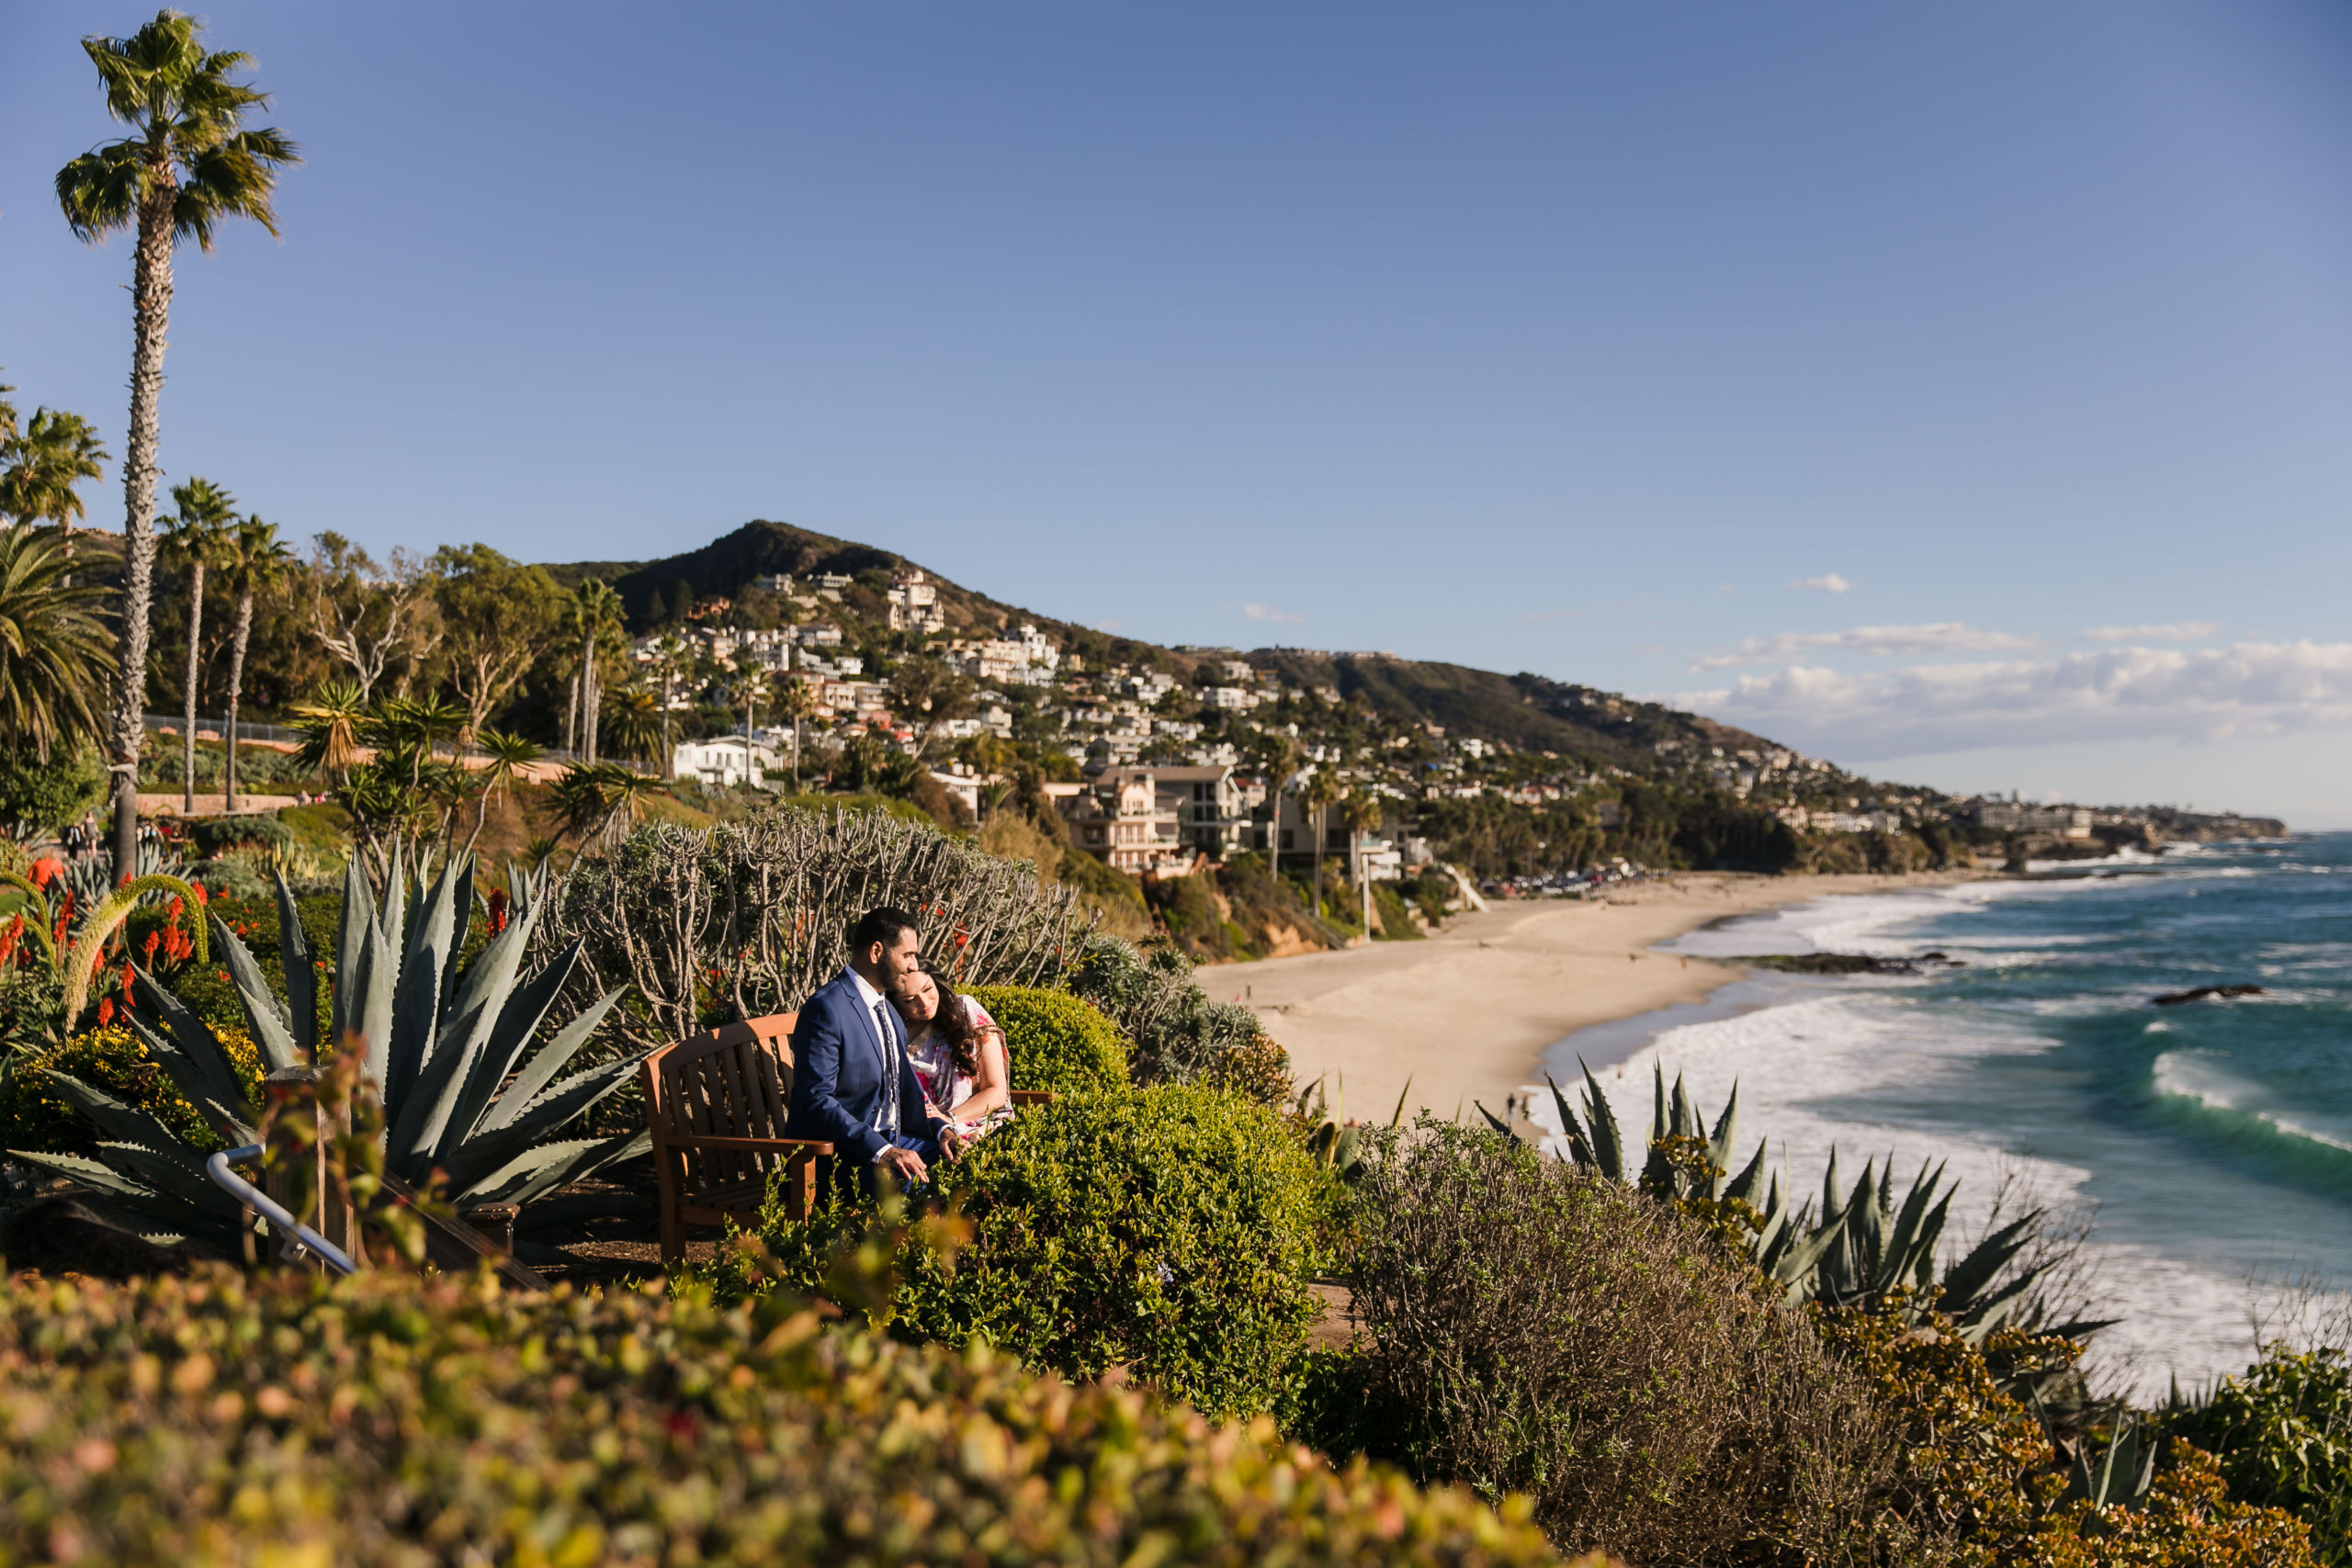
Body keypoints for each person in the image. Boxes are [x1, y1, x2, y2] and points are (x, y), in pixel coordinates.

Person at [786, 907, 958, 1189]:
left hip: (894, 1142)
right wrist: (883, 1152)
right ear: (877, 952)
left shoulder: (889, 1013)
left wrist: (941, 1130)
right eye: (907, 955)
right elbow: (815, 1100)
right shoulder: (827, 1009)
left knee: (966, 1165)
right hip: (843, 1158)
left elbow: (906, 1090)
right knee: (916, 1181)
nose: (914, 965)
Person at [892, 962, 1012, 1135]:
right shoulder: (892, 1031)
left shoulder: (965, 1011)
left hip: (976, 1128)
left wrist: (949, 1119)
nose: (924, 1003)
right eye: (910, 1000)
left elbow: (996, 1090)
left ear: (936, 982)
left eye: (927, 990)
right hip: (919, 1134)